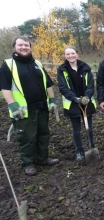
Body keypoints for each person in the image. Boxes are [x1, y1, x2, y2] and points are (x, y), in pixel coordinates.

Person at [0, 36, 59, 176]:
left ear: (30, 46)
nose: (23, 47)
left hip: (41, 107)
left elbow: (48, 83)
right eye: (20, 45)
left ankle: (42, 159)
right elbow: (5, 87)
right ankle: (28, 163)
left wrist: (52, 100)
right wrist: (12, 105)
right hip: (22, 110)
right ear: (14, 47)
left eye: (26, 45)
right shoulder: (8, 65)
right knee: (26, 137)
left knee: (43, 134)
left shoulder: (37, 63)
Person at [57, 45, 97, 162]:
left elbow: (90, 84)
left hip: (86, 102)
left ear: (77, 54)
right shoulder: (62, 69)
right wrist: (75, 99)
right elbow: (63, 87)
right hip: (72, 103)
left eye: (72, 53)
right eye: (68, 54)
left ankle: (91, 145)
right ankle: (79, 150)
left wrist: (87, 96)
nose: (71, 56)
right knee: (76, 128)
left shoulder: (85, 67)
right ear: (65, 56)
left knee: (88, 126)